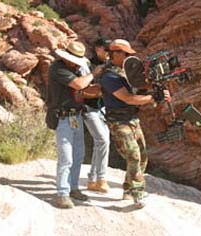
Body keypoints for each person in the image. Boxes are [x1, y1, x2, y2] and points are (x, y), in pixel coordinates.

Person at [99, 39, 171, 208]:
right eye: (126, 54)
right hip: (118, 121)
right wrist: (154, 98)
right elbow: (128, 98)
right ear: (115, 53)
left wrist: (155, 89)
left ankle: (128, 190)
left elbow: (138, 90)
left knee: (142, 156)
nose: (128, 58)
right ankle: (138, 193)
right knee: (133, 155)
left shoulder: (125, 73)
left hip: (132, 119)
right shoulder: (109, 76)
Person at [46, 41, 97, 209]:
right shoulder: (57, 68)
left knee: (78, 155)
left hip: (76, 115)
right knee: (66, 157)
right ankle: (62, 193)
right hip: (63, 117)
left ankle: (73, 188)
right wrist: (95, 73)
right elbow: (79, 85)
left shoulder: (75, 69)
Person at [81, 38, 112, 193]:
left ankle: (93, 180)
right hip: (88, 107)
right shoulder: (87, 65)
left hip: (102, 108)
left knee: (101, 142)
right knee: (103, 140)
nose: (108, 53)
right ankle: (101, 178)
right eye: (106, 49)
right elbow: (84, 88)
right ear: (98, 48)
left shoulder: (109, 66)